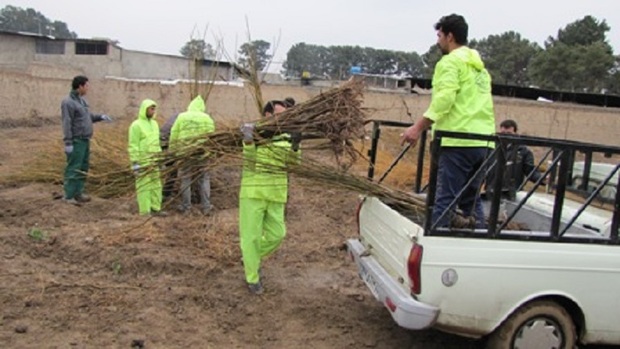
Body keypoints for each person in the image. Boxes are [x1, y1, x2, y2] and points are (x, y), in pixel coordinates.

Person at [400, 14, 495, 229]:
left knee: (445, 200)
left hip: (457, 141)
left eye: (439, 35)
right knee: (471, 200)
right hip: (484, 143)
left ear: (450, 36)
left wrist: (417, 127)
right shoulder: (480, 68)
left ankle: (435, 246)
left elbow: (444, 100)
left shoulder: (450, 62)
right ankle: (479, 240)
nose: (438, 40)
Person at [238, 100, 301, 295]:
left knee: (278, 234)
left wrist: (295, 147)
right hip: (254, 192)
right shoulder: (256, 135)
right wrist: (249, 143)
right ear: (266, 115)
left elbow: (293, 166)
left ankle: (251, 258)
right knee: (251, 237)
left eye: (284, 114)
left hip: (276, 193)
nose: (281, 118)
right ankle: (252, 277)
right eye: (277, 114)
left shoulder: (285, 137)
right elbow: (249, 164)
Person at [61, 75, 112, 206]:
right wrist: (68, 142)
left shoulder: (81, 101)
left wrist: (100, 117)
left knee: (83, 167)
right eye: (87, 86)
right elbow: (67, 123)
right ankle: (69, 195)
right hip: (76, 140)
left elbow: (87, 117)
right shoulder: (68, 102)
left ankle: (78, 192)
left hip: (85, 140)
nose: (88, 88)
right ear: (80, 86)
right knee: (74, 167)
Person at [169, 95, 216, 215]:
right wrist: (211, 154)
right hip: (202, 154)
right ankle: (206, 207)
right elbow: (212, 138)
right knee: (204, 178)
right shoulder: (207, 118)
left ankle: (186, 207)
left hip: (185, 153)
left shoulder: (182, 117)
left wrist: (172, 152)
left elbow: (174, 135)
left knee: (186, 178)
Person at [485, 119, 545, 199]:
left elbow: (530, 170)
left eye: (509, 133)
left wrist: (542, 179)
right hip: (491, 190)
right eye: (503, 134)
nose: (506, 136)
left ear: (515, 133)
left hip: (512, 193)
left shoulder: (523, 151)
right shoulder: (492, 148)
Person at [128, 99, 166, 217]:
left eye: (154, 108)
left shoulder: (154, 124)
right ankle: (145, 211)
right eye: (151, 108)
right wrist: (135, 162)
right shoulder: (136, 125)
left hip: (154, 159)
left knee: (156, 185)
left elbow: (156, 142)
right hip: (143, 161)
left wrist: (159, 158)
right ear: (145, 109)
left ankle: (156, 208)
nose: (153, 111)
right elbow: (133, 145)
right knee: (144, 186)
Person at [159, 113, 180, 200]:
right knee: (172, 171)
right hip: (167, 143)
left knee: (170, 170)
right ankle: (165, 194)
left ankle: (165, 193)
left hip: (162, 142)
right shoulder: (182, 119)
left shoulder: (176, 116)